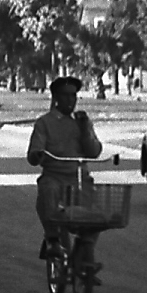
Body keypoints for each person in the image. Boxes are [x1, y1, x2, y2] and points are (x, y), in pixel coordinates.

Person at [28, 74, 104, 266]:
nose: (70, 100)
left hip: (78, 177)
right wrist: (38, 154)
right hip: (54, 175)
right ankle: (52, 239)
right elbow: (34, 153)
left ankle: (85, 252)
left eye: (73, 95)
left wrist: (85, 129)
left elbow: (94, 151)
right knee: (47, 192)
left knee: (97, 215)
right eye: (65, 95)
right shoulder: (44, 122)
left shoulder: (81, 121)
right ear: (55, 98)